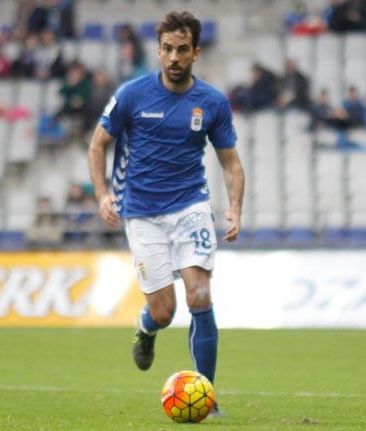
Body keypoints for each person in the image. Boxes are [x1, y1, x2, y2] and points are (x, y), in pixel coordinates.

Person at [88, 11, 244, 416]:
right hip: (142, 213)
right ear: (159, 51)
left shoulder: (211, 102)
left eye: (182, 49)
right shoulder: (132, 95)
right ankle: (146, 328)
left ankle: (207, 399)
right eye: (168, 49)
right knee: (164, 310)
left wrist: (235, 210)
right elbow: (97, 145)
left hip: (191, 205)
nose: (174, 57)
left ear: (196, 52)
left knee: (200, 295)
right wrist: (104, 195)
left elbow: (230, 162)